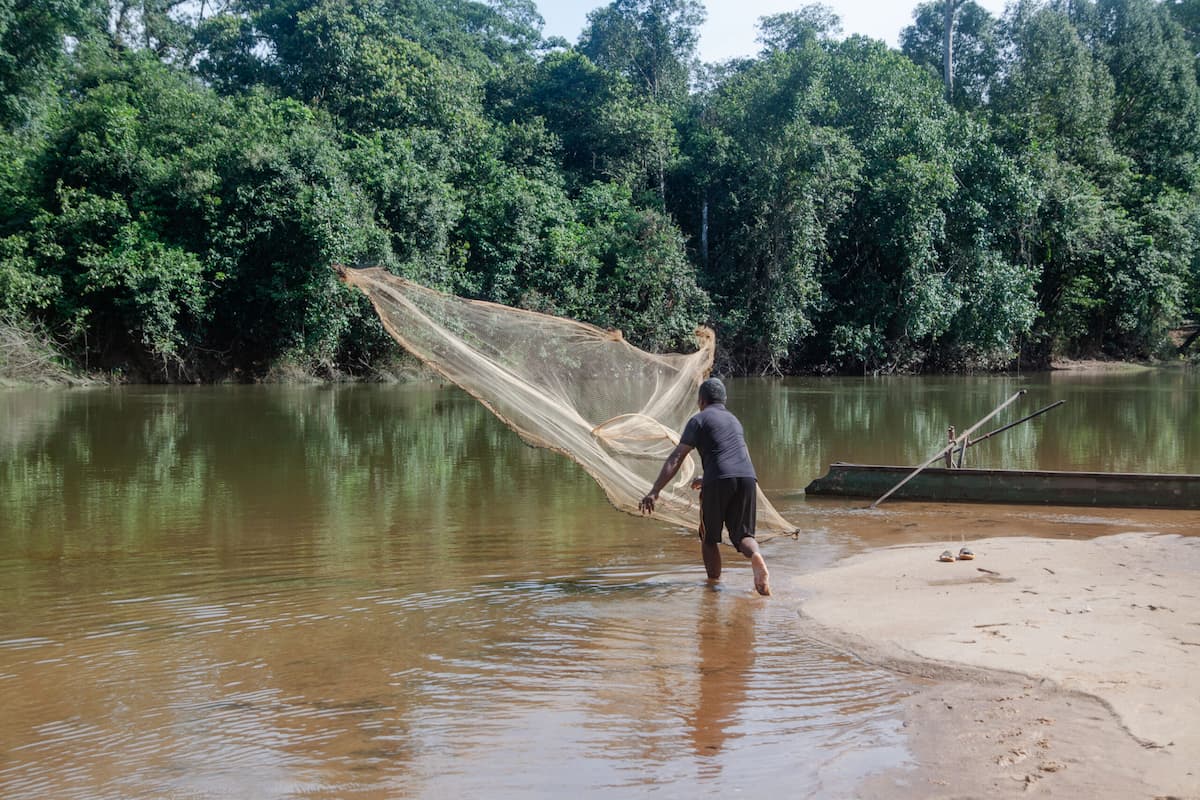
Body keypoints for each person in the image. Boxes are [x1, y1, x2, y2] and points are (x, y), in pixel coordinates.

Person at [638, 377, 771, 596]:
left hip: (719, 479)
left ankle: (713, 588)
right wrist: (707, 477)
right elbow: (733, 455)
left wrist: (654, 491)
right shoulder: (734, 420)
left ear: (701, 400)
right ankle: (756, 557)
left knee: (709, 538)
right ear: (724, 400)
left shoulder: (698, 420)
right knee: (745, 536)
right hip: (747, 477)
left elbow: (676, 457)